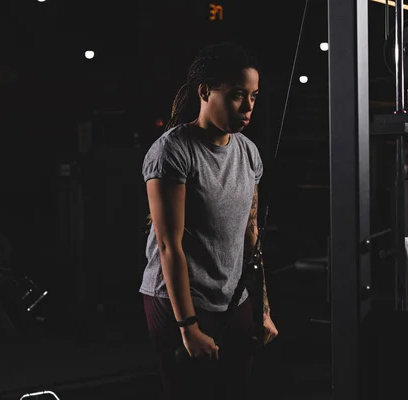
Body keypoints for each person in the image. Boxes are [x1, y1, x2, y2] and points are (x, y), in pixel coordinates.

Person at [140, 42, 279, 400]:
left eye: (254, 96)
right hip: (180, 300)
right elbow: (169, 245)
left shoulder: (248, 152)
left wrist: (263, 310)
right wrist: (188, 328)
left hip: (234, 299)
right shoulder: (173, 151)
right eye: (237, 95)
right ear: (204, 92)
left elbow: (252, 237)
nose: (248, 107)